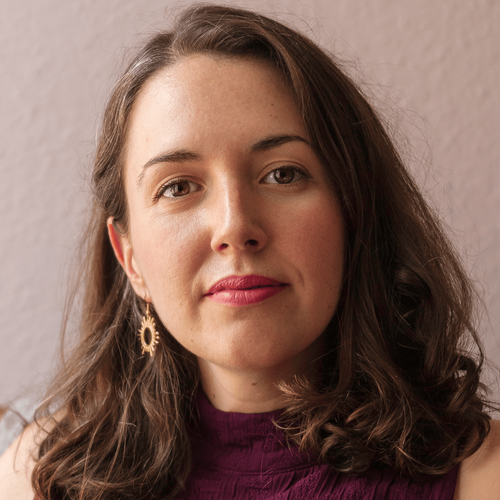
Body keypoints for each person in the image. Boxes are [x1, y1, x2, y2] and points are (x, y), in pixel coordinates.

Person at [0, 4, 499, 499]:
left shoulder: (482, 475)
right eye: (178, 187)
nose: (235, 226)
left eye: (282, 174)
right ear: (130, 258)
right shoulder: (39, 479)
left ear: (355, 211)